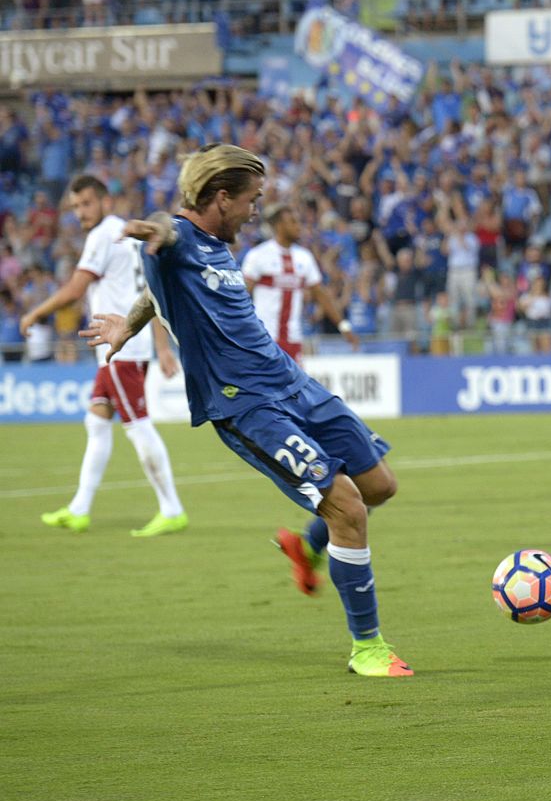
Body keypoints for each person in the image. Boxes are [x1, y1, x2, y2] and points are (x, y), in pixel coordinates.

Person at [79, 145, 410, 678]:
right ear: (221, 197)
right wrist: (157, 230)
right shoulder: (177, 237)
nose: (256, 211)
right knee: (348, 508)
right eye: (252, 199)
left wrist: (130, 321)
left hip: (292, 382)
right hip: (247, 407)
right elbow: (164, 230)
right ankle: (368, 647)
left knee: (379, 486)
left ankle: (309, 547)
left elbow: (160, 295)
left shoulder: (215, 247)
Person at [23, 174, 188, 538]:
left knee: (138, 426)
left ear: (105, 202)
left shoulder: (103, 235)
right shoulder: (128, 237)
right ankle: (79, 509)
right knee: (96, 422)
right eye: (75, 206)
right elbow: (150, 292)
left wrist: (35, 313)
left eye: (86, 204)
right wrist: (161, 347)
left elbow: (75, 289)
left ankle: (172, 509)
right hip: (126, 347)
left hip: (120, 349)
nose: (81, 212)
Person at [240, 203, 360, 362]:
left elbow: (322, 295)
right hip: (264, 339)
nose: (299, 226)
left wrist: (344, 326)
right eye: (293, 222)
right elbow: (242, 296)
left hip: (293, 341)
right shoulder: (258, 255)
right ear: (279, 226)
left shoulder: (304, 257)